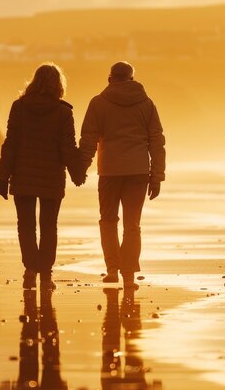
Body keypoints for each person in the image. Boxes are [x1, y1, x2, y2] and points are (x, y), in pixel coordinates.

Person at [0, 63, 85, 290]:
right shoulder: (63, 112)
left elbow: (11, 144)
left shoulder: (19, 107)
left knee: (25, 226)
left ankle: (29, 270)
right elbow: (67, 147)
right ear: (58, 85)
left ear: (34, 81)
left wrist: (2, 177)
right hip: (52, 179)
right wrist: (77, 172)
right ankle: (45, 275)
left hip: (23, 177)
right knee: (48, 226)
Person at [79, 61, 165, 290]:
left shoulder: (97, 103)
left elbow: (88, 139)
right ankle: (128, 276)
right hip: (138, 172)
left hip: (109, 171)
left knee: (108, 221)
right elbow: (157, 142)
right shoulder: (147, 104)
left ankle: (112, 270)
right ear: (132, 79)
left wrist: (80, 168)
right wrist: (157, 175)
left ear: (110, 79)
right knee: (132, 225)